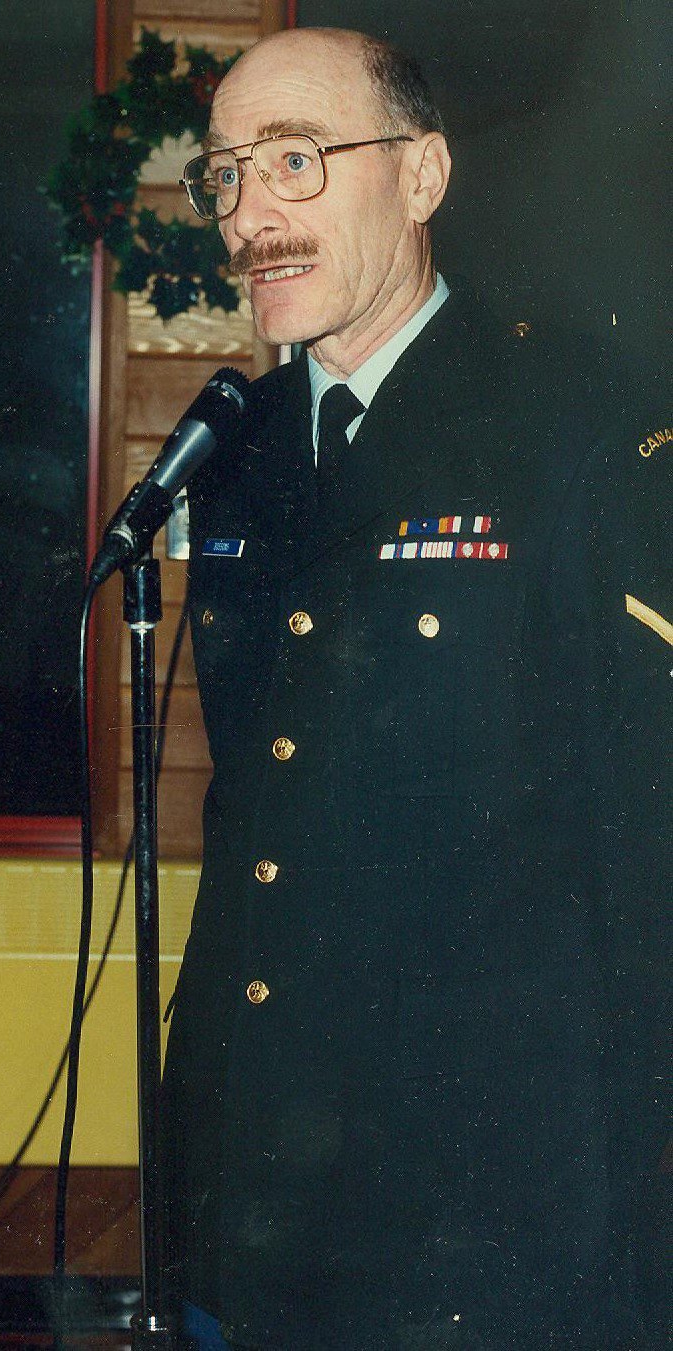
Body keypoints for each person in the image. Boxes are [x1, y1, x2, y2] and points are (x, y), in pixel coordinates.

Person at [162, 26, 669, 1351]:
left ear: (425, 175)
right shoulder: (237, 457)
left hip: (487, 1197)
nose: (250, 213)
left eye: (295, 160)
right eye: (226, 174)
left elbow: (646, 843)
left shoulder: (575, 425)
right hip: (253, 1178)